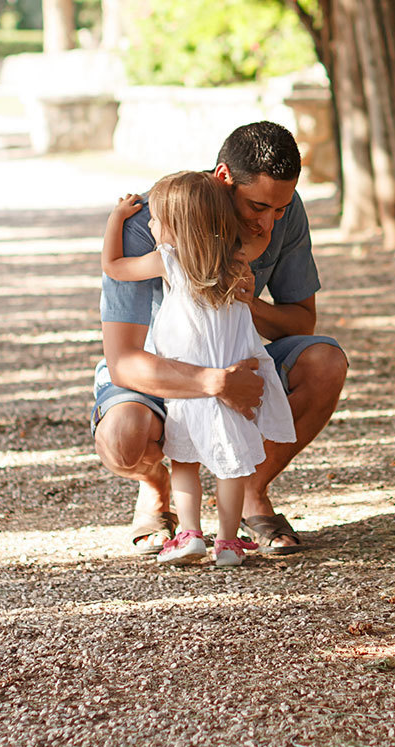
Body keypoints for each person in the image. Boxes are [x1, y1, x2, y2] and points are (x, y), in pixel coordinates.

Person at [91, 121, 347, 556]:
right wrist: (215, 383)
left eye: (280, 210)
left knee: (325, 361)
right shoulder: (155, 221)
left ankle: (252, 494)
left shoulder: (281, 209)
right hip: (160, 373)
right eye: (258, 206)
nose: (269, 222)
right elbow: (123, 361)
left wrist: (252, 305)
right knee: (124, 438)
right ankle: (155, 485)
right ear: (224, 177)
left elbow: (302, 322)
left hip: (237, 361)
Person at [100, 174, 296, 565]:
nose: (150, 226)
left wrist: (115, 219)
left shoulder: (169, 259)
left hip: (187, 381)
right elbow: (263, 238)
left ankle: (190, 534)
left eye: (155, 221)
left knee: (184, 461)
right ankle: (227, 542)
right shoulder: (238, 256)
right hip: (234, 376)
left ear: (174, 228)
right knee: (232, 464)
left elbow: (114, 266)